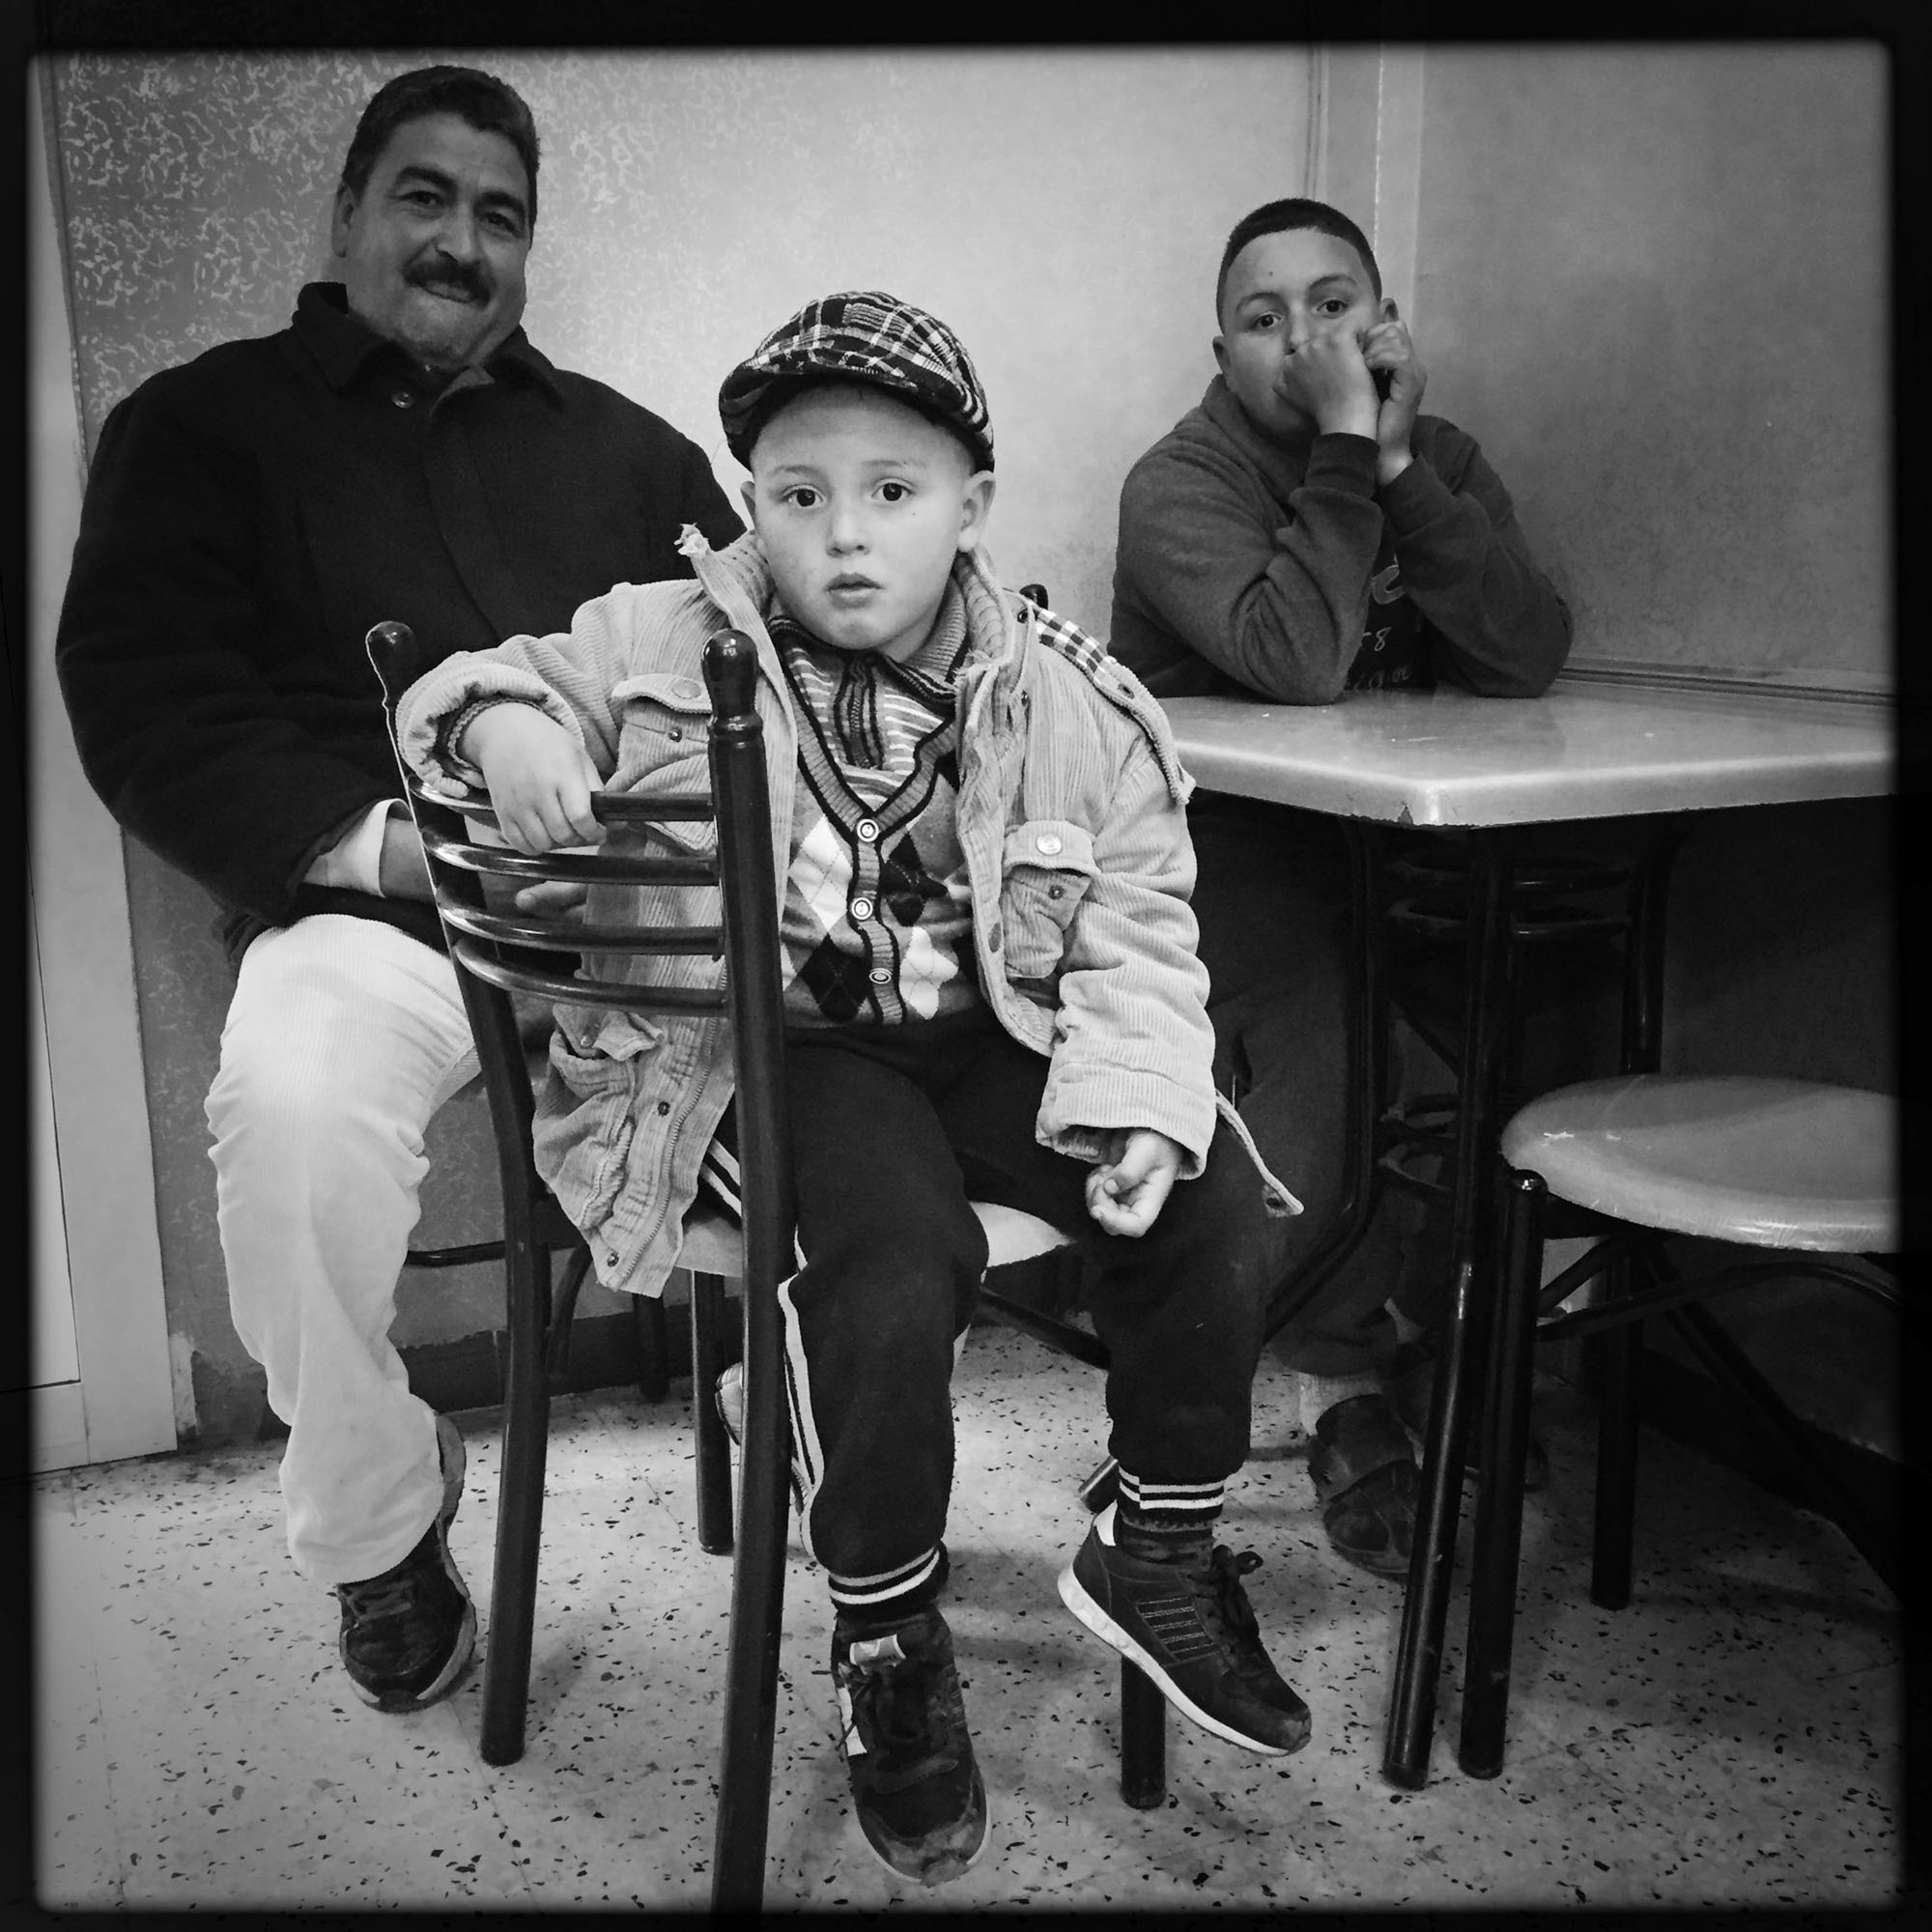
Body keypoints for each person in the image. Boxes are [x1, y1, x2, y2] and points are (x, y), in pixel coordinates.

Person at [393, 292, 1310, 1888]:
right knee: (893, 1264)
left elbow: (1142, 923)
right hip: (781, 1052)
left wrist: (1146, 1098)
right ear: (751, 505)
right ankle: (885, 1633)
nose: (847, 538)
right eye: (799, 496)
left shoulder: (1063, 693)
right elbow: (464, 685)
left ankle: (1157, 1543)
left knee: (1215, 1187)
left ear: (973, 506)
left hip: (984, 1030)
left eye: (895, 493)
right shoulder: (670, 634)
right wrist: (510, 715)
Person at [55, 66, 743, 1716]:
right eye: (424, 197)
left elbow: (754, 672)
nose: (461, 241)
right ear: (349, 212)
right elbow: (146, 698)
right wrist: (390, 846)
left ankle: (818, 1438)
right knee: (287, 1121)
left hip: (626, 921)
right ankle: (376, 1528)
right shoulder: (201, 423)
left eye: (499, 215)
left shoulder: (632, 453)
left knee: (845, 1079)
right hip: (373, 915)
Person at [1110, 197, 1577, 1578]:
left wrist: (1396, 467)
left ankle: (1446, 1345)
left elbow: (1524, 650)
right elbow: (1297, 660)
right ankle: (1339, 1388)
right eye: (1265, 319)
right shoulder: (1179, 481)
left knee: (1536, 1007)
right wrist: (1338, 450)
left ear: (1384, 323)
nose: (1304, 338)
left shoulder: (1438, 459)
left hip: (1406, 845)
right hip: (1215, 860)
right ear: (1220, 349)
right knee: (1340, 1044)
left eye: (1332, 307)